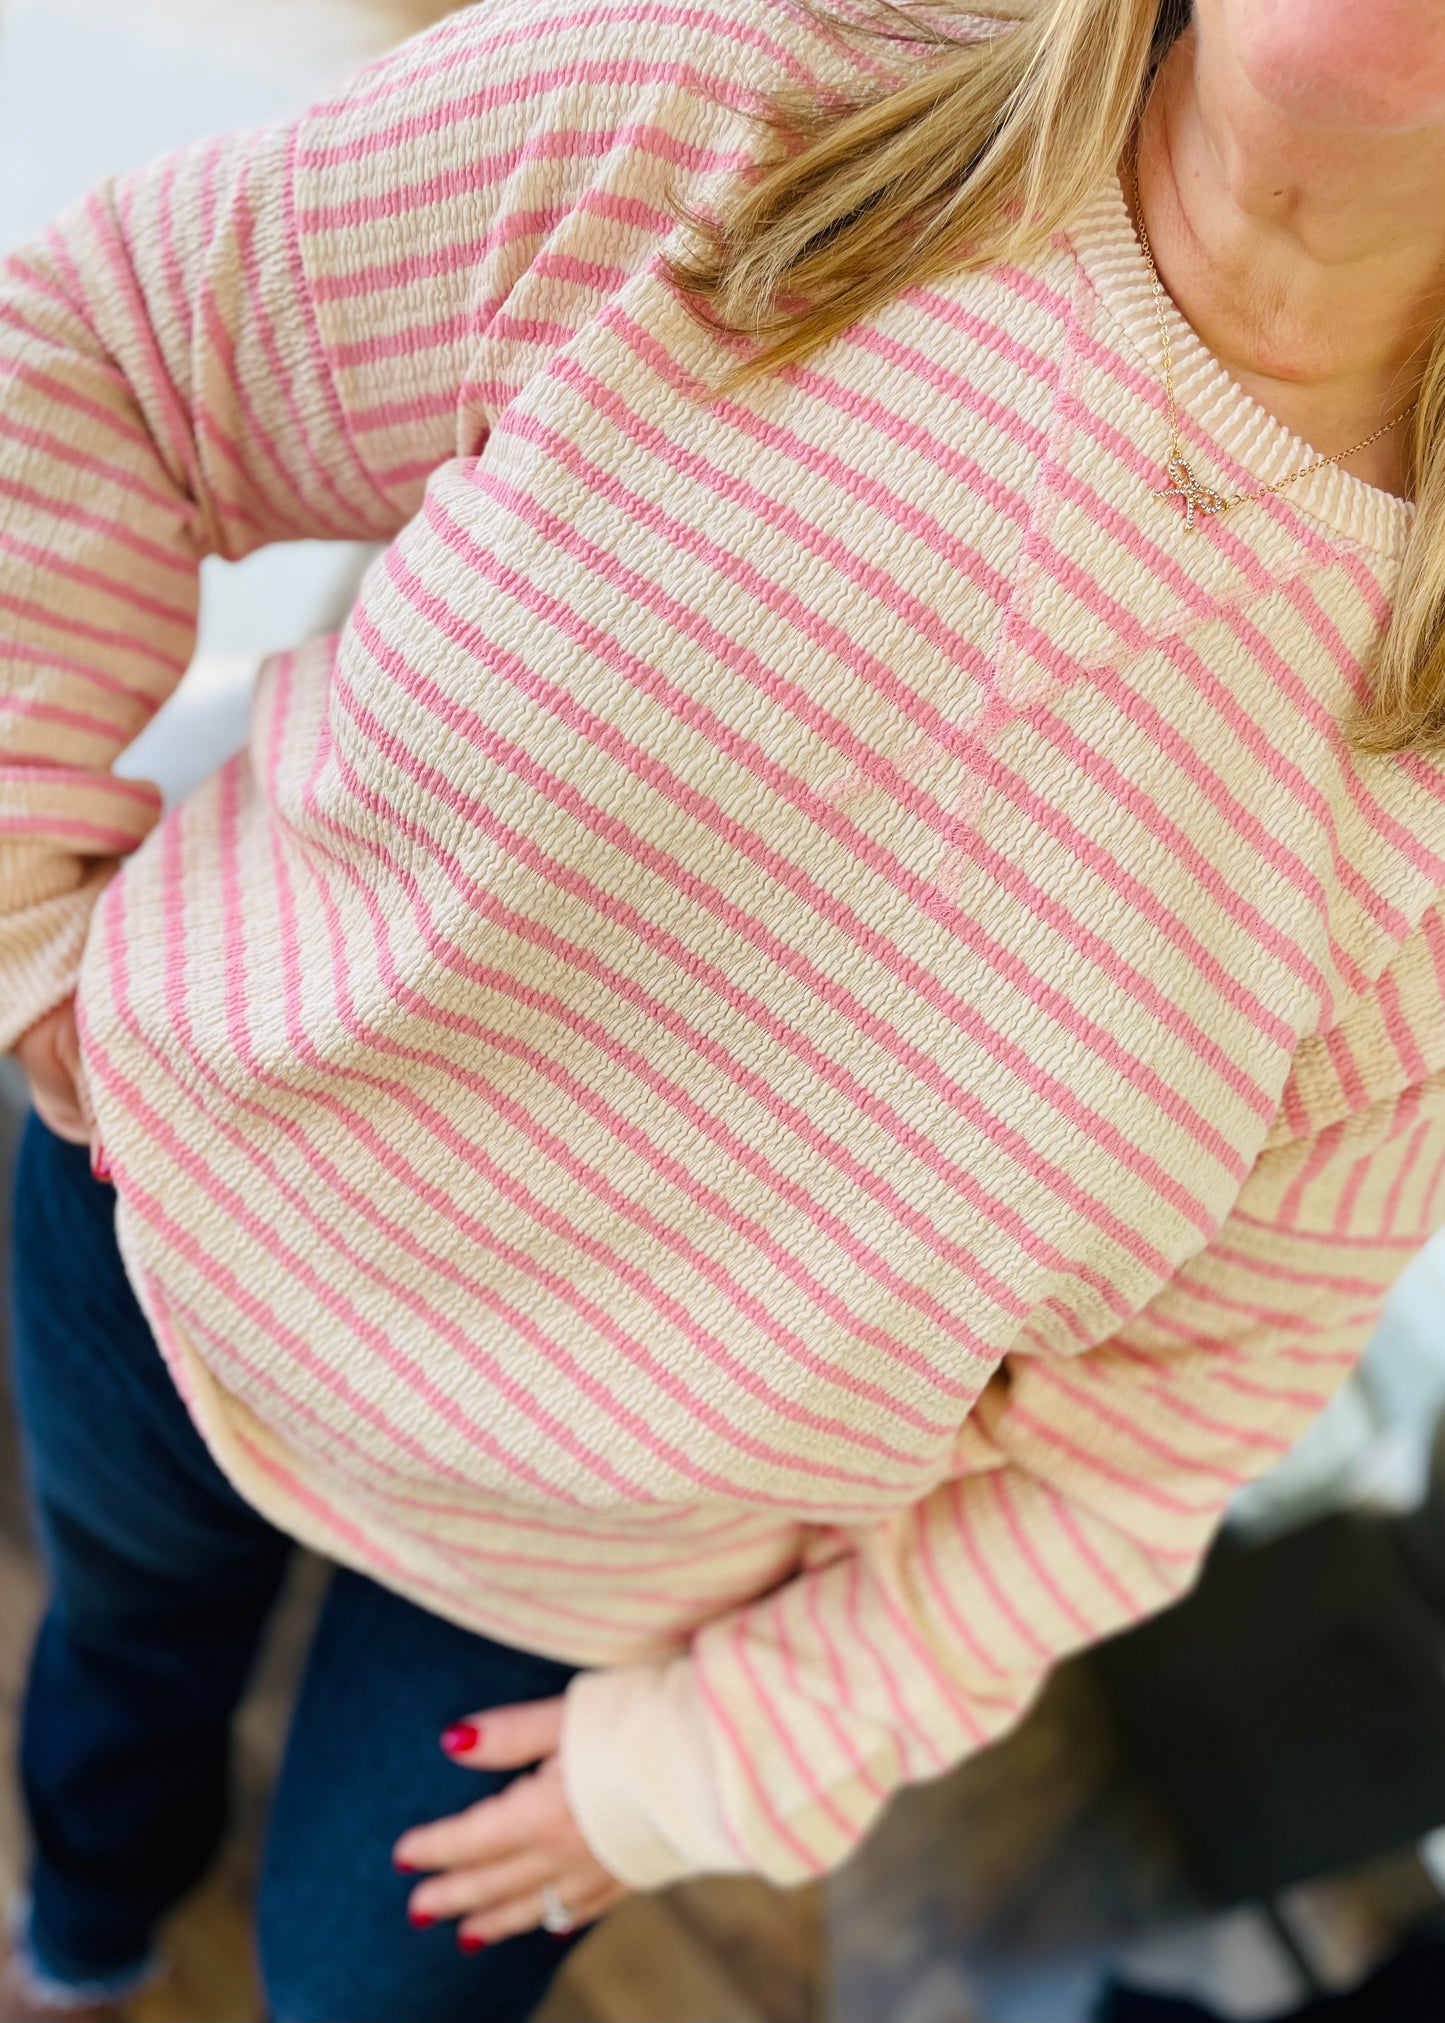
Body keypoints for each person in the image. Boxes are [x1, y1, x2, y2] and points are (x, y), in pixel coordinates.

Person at [4, 0, 1445, 2016]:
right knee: (113, 1676)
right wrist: (22, 921)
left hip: (588, 1600)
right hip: (156, 1244)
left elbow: (1142, 1448)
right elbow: (102, 352)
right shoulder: (736, 90)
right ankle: (78, 1941)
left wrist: (712, 1769)